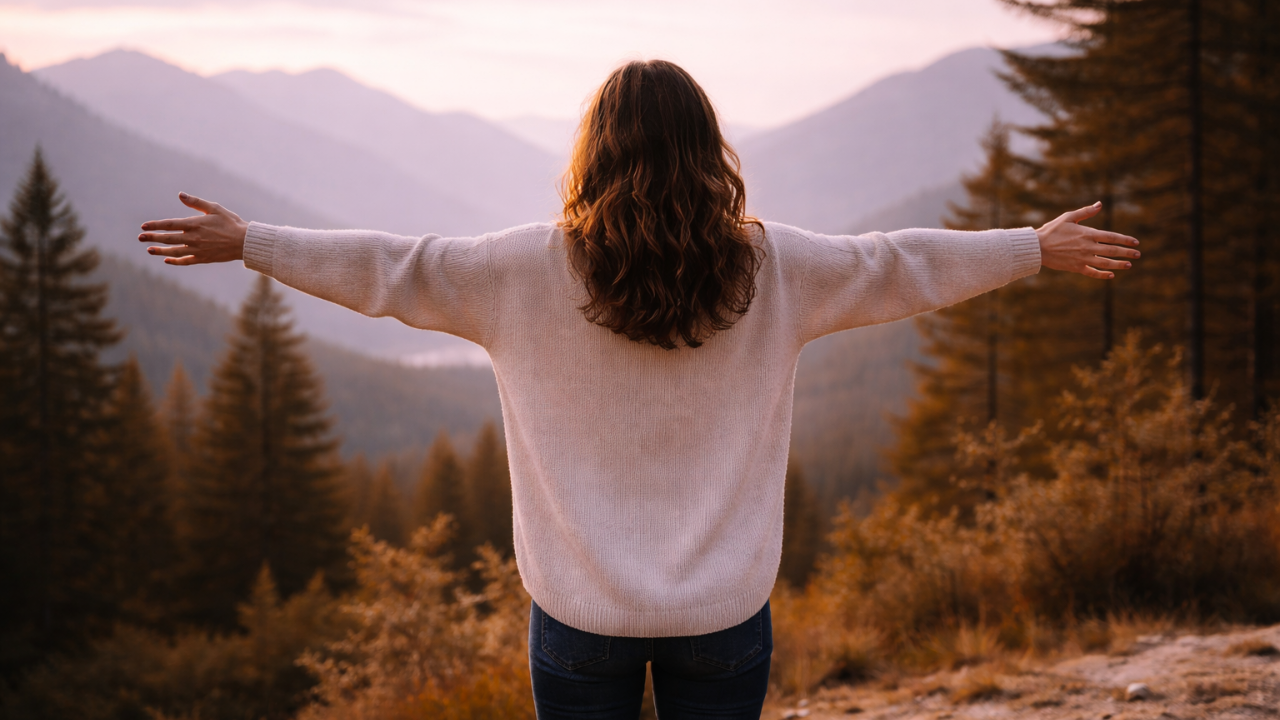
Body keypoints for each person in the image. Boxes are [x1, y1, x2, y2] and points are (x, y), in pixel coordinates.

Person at [138, 59, 1139, 720]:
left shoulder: (519, 271)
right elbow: (898, 264)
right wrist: (1029, 250)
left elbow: (390, 267)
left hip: (578, 625)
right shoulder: (774, 268)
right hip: (724, 622)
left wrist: (249, 243)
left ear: (593, 152)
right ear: (710, 155)